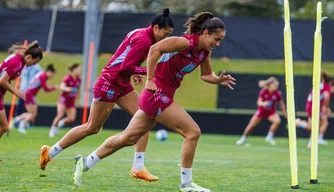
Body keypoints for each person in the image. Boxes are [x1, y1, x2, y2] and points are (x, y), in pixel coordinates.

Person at [72, 12, 235, 192]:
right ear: (205, 33)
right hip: (156, 93)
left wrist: (217, 80)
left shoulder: (205, 52)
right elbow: (154, 50)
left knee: (128, 138)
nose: (218, 43)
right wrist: (149, 79)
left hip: (164, 95)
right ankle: (186, 184)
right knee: (192, 132)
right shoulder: (184, 42)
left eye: (220, 40)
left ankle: (85, 162)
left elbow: (206, 75)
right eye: (216, 39)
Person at [40, 8, 174, 182]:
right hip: (109, 83)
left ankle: (138, 167)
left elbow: (124, 59)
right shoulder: (144, 39)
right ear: (156, 28)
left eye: (170, 34)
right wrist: (145, 72)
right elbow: (125, 65)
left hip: (121, 83)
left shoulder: (140, 33)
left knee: (145, 118)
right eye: (165, 33)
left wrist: (133, 73)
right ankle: (49, 152)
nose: (166, 38)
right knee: (92, 128)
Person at [0, 41, 43, 138]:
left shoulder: (20, 61)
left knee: (3, 126)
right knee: (4, 127)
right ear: (29, 57)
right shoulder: (17, 63)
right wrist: (17, 92)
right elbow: (2, 81)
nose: (33, 65)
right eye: (34, 62)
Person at [236, 77, 287, 146]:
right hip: (261, 112)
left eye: (277, 86)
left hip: (271, 112)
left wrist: (285, 113)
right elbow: (259, 102)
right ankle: (243, 138)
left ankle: (269, 137)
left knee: (277, 121)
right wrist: (264, 103)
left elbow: (281, 104)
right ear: (270, 85)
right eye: (274, 86)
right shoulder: (264, 91)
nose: (276, 87)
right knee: (251, 126)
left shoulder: (278, 93)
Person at [14, 64, 58, 134]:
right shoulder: (43, 76)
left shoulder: (42, 74)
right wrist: (54, 88)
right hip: (30, 95)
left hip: (30, 94)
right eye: (52, 75)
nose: (52, 77)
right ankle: (21, 126)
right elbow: (45, 89)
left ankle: (18, 119)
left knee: (32, 113)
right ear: (49, 72)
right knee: (33, 114)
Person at [296, 70, 332, 148]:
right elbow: (326, 97)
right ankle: (315, 139)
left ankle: (313, 140)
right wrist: (326, 108)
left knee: (320, 123)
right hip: (313, 107)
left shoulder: (321, 85)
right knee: (315, 125)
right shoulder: (326, 87)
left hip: (311, 106)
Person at [49, 63, 81, 138]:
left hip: (71, 101)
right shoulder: (68, 78)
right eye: (78, 69)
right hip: (63, 99)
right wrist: (67, 89)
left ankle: (59, 124)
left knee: (71, 119)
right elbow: (61, 86)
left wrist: (78, 100)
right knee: (60, 115)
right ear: (74, 69)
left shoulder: (79, 80)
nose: (79, 71)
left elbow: (77, 91)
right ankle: (52, 130)